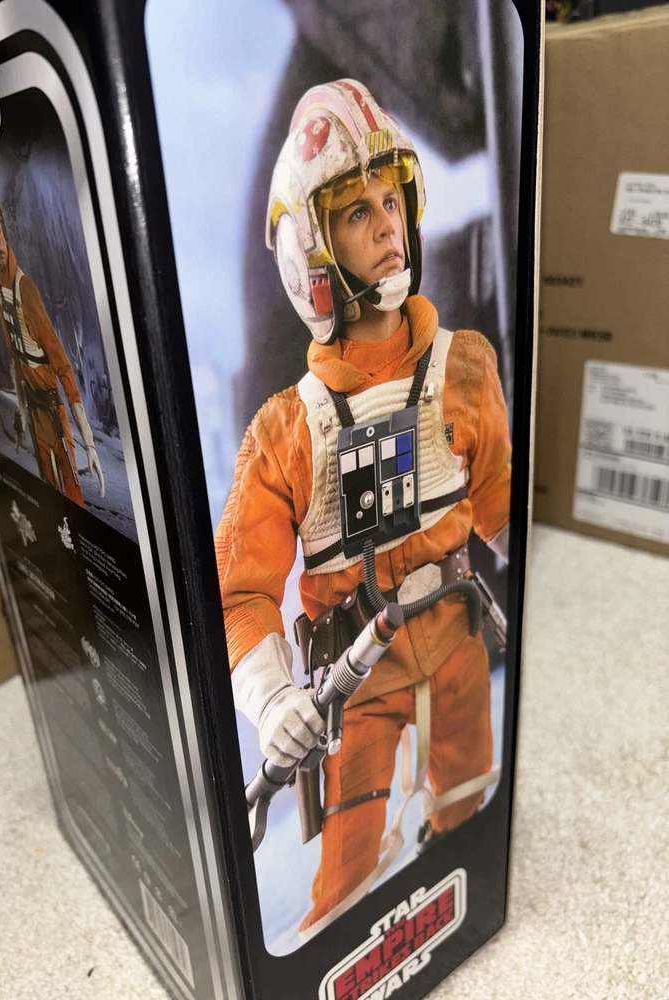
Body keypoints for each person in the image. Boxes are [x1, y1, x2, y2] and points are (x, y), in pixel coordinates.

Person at [215, 80, 510, 936]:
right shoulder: (286, 434)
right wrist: (275, 702)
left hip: (457, 645)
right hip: (359, 686)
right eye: (355, 212)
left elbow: (500, 506)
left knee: (470, 812)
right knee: (346, 886)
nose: (387, 226)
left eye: (391, 201)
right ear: (312, 253)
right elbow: (241, 593)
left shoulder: (465, 370)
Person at [0, 179, 105, 505]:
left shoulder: (26, 290)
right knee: (50, 501)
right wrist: (21, 416)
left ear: (5, 232)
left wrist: (89, 443)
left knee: (73, 499)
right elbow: (15, 359)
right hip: (35, 416)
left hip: (53, 413)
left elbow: (62, 365)